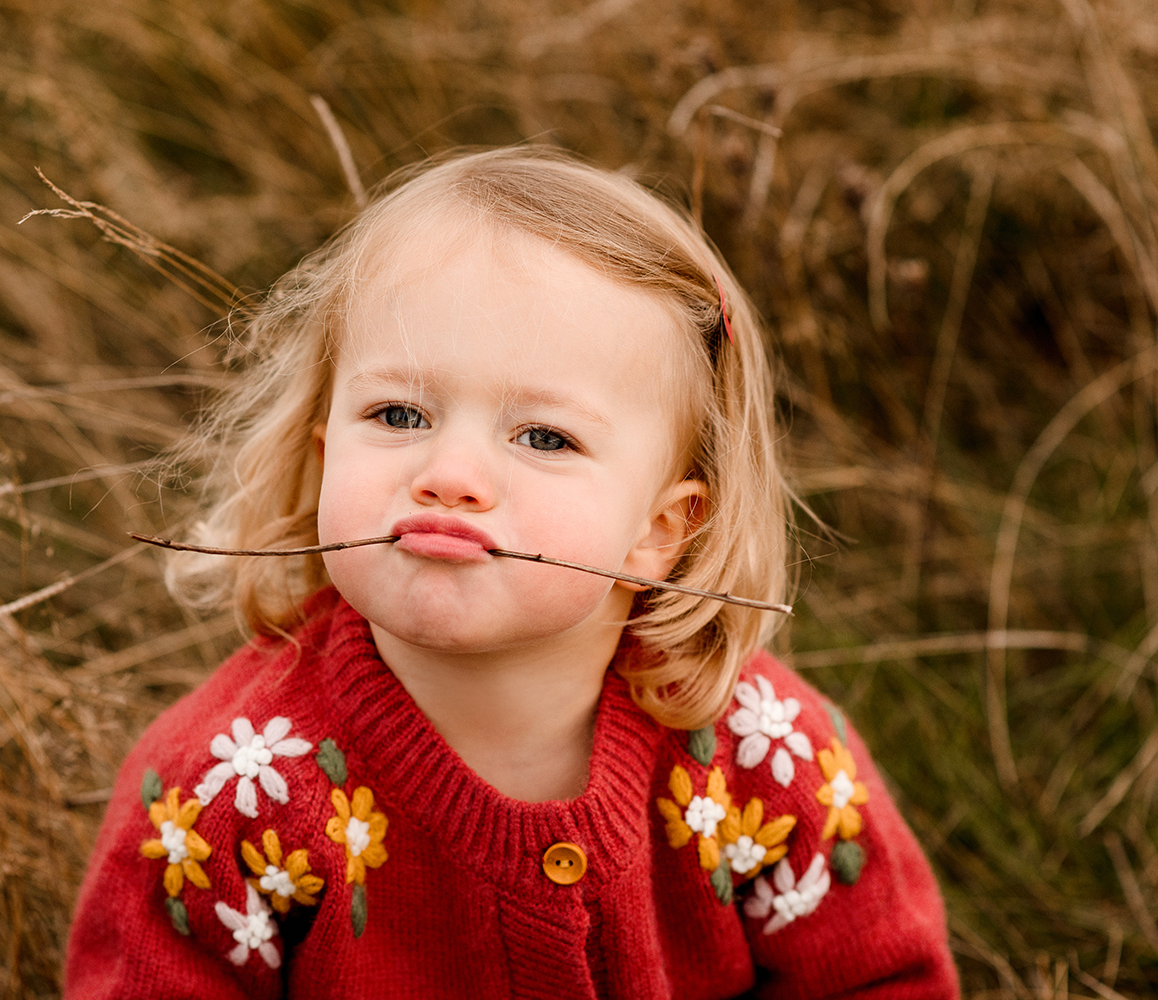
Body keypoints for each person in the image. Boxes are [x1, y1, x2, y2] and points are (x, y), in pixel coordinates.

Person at [64, 148, 958, 999]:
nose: (449, 473)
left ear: (658, 529)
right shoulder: (229, 787)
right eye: (399, 413)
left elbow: (879, 979)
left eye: (543, 437)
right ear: (326, 451)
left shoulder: (765, 752)